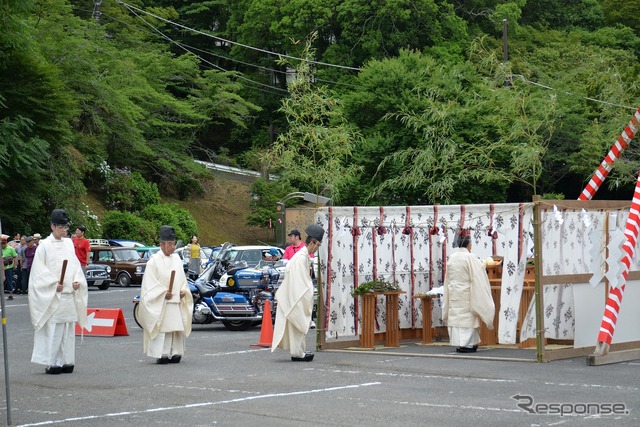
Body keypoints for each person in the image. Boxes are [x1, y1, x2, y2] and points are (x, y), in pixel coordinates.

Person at [29, 209, 88, 374]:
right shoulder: (44, 247)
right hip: (54, 296)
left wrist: (77, 280)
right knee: (54, 329)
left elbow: (75, 265)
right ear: (52, 226)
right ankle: (53, 362)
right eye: (61, 227)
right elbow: (38, 273)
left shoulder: (69, 244)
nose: (64, 230)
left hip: (69, 293)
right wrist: (54, 284)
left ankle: (68, 361)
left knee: (68, 329)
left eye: (65, 227)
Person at [138, 225, 193, 364]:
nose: (173, 247)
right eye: (170, 244)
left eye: (174, 244)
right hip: (162, 303)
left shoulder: (176, 260)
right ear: (161, 244)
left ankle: (176, 352)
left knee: (176, 328)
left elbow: (182, 280)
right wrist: (162, 294)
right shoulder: (153, 261)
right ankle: (161, 353)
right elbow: (149, 285)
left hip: (176, 301)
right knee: (163, 328)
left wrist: (183, 291)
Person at [271, 224, 324, 362]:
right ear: (312, 242)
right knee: (297, 323)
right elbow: (302, 282)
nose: (317, 248)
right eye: (317, 245)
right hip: (295, 295)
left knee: (297, 325)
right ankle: (298, 353)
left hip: (295, 294)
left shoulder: (303, 256)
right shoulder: (300, 258)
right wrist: (309, 293)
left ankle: (298, 352)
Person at [442, 230, 495, 353]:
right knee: (467, 317)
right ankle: (468, 344)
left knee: (457, 316)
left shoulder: (452, 258)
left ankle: (461, 344)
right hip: (466, 292)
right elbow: (478, 274)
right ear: (469, 244)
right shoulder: (470, 257)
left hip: (454, 291)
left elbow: (447, 278)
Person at [2, 236, 18, 300]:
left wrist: (15, 265)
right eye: (1, 243)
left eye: (3, 243)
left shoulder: (10, 248)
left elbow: (15, 256)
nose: (2, 245)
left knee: (9, 280)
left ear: (6, 243)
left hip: (8, 266)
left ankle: (11, 294)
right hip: (1, 267)